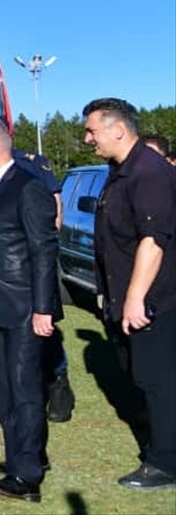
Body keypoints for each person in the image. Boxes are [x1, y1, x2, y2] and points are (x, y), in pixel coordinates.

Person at [0, 116, 59, 503]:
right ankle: (17, 456)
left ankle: (27, 475)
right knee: (2, 390)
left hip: (23, 308)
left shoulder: (28, 187)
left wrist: (42, 308)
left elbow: (43, 251)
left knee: (25, 388)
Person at [83, 98, 176, 491]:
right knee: (142, 377)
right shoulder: (120, 171)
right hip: (125, 299)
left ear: (118, 129)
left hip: (156, 301)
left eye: (92, 131)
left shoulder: (148, 172)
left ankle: (165, 463)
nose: (87, 139)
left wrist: (136, 297)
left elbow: (154, 239)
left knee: (159, 381)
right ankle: (158, 433)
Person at [0, 147, 75, 422]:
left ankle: (58, 385)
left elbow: (55, 206)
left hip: (28, 272)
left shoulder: (32, 165)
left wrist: (41, 244)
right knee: (3, 341)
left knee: (43, 337)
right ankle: (9, 394)